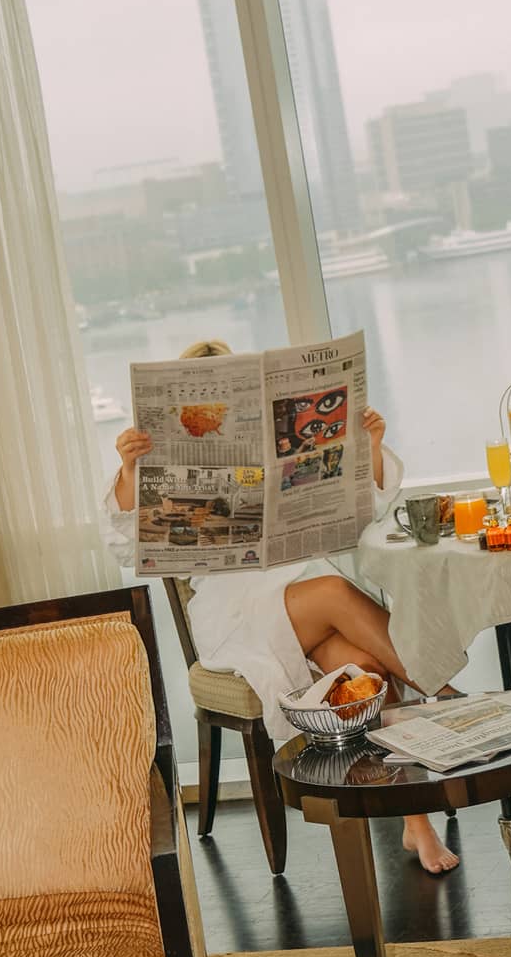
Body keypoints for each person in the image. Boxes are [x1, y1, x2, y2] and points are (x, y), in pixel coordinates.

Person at [100, 340, 460, 874]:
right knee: (337, 596)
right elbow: (128, 546)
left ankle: (416, 821)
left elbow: (367, 507)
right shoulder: (153, 455)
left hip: (297, 590)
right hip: (235, 613)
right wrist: (130, 471)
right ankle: (442, 689)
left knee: (368, 672)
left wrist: (370, 444)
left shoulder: (272, 447)